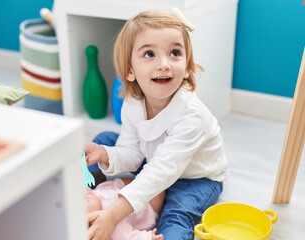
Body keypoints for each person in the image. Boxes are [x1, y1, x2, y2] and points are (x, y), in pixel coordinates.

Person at [84, 9, 228, 240]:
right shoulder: (133, 100)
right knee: (100, 143)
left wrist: (113, 216)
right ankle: (86, 199)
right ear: (130, 71)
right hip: (152, 159)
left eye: (174, 53)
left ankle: (107, 214)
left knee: (176, 214)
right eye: (149, 54)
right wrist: (103, 154)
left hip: (195, 178)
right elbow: (132, 151)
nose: (164, 64)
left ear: (188, 65)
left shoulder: (193, 116)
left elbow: (162, 172)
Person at [85, 173, 165, 240]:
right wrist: (148, 237)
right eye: (87, 200)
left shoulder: (91, 197)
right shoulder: (113, 227)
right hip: (145, 207)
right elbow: (129, 237)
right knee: (160, 190)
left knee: (127, 179)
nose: (85, 194)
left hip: (117, 188)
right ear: (91, 221)